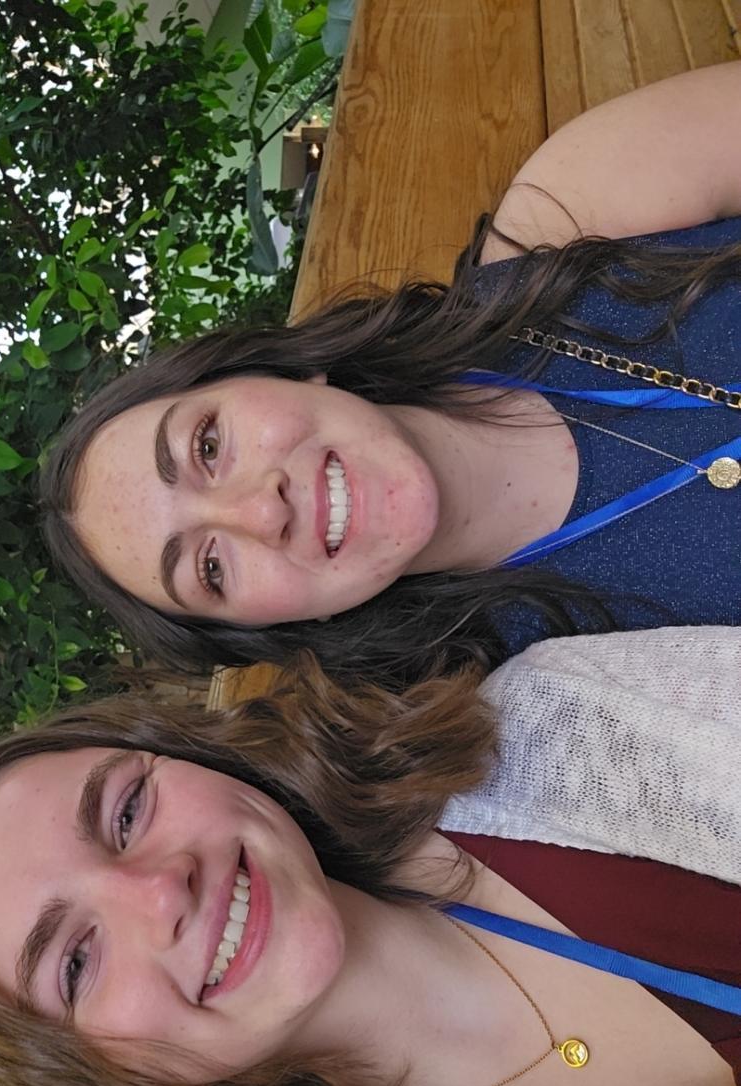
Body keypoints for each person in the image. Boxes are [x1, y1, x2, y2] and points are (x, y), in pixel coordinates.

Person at [0, 625, 741, 1086]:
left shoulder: (566, 722)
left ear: (188, 756)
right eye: (75, 963)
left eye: (128, 811)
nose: (161, 891)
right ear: (93, 1080)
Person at [40, 63, 741, 686]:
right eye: (211, 569)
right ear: (271, 630)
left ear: (275, 369)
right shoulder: (549, 709)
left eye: (208, 446)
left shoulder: (572, 212)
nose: (261, 512)